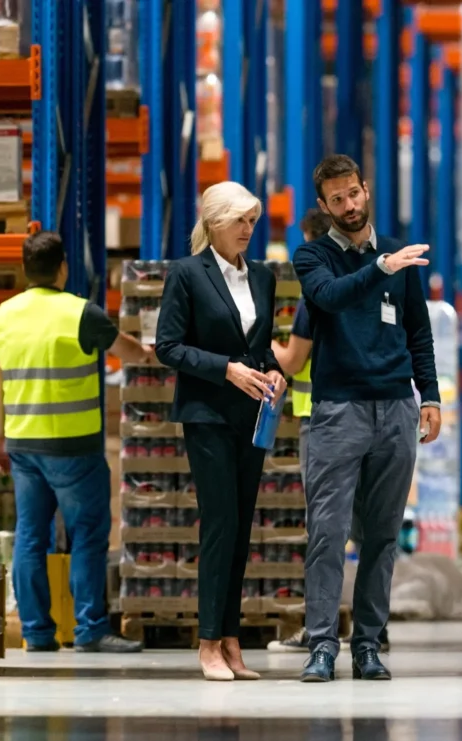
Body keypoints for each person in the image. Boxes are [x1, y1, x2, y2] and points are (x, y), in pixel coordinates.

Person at [293, 155, 441, 682]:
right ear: (324, 205)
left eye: (353, 193)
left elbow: (418, 331)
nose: (349, 206)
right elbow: (330, 297)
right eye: (337, 199)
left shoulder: (397, 255)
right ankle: (321, 645)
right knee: (327, 532)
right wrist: (380, 268)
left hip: (396, 408)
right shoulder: (313, 257)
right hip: (339, 411)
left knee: (381, 536)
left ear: (366, 189)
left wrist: (430, 395)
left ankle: (368, 645)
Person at [0, 231, 152, 654]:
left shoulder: (1, 317)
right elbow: (128, 352)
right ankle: (90, 628)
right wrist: (150, 352)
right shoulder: (81, 313)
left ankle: (37, 632)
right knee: (87, 536)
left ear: (26, 269)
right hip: (74, 447)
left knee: (30, 537)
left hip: (24, 446)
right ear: (62, 268)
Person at [155, 181, 287, 681]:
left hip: (252, 416)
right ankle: (208, 642)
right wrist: (225, 369)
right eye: (239, 221)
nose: (248, 230)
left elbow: (261, 346)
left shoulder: (263, 277)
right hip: (207, 414)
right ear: (213, 224)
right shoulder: (187, 274)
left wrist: (274, 370)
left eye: (252, 221)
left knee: (241, 528)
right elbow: (168, 346)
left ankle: (231, 641)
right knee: (220, 524)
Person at [268, 207, 390, 655]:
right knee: (366, 527)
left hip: (322, 420)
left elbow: (293, 361)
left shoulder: (315, 296)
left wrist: (260, 339)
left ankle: (319, 629)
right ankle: (371, 628)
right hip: (370, 417)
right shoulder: (371, 287)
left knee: (324, 530)